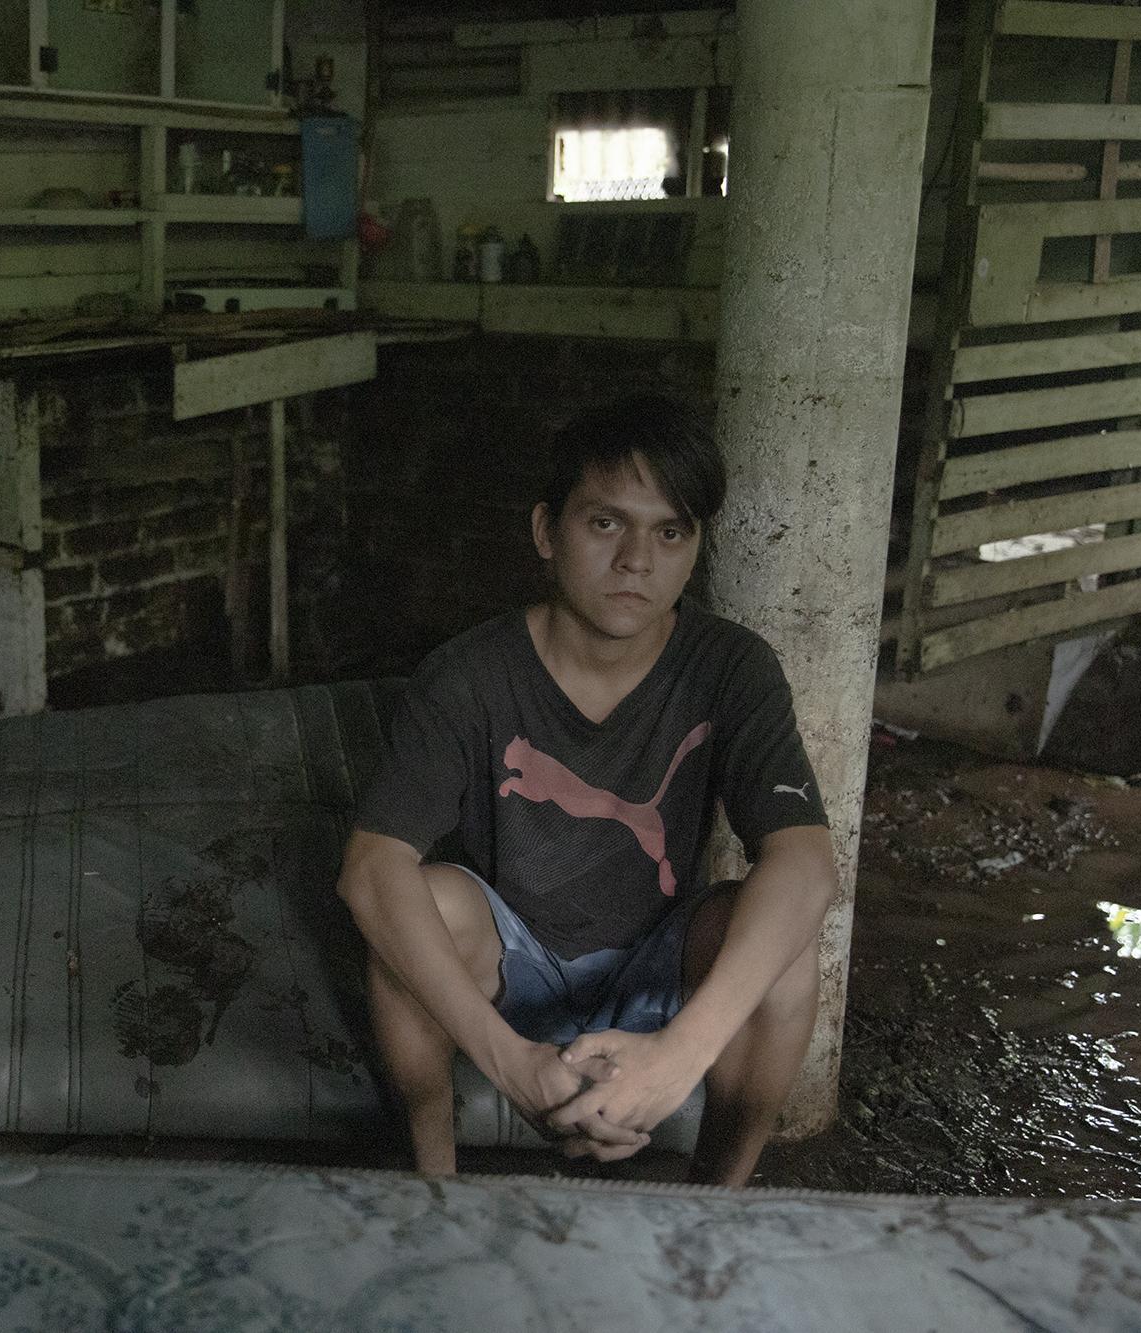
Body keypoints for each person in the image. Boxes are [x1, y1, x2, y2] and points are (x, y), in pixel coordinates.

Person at [336, 393, 838, 1187]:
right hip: (517, 959)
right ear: (546, 531)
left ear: (695, 544)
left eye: (669, 531)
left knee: (783, 937)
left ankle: (717, 1203)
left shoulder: (731, 666)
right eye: (606, 523)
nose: (638, 559)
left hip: (661, 955)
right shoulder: (470, 674)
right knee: (412, 902)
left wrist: (677, 1059)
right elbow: (369, 866)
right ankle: (431, 1187)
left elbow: (808, 863)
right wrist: (516, 1066)